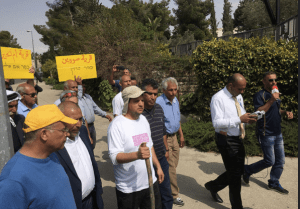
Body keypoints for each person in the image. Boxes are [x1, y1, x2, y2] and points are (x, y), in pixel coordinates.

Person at [0, 104, 78, 208]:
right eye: (63, 130)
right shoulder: (13, 180)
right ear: (44, 134)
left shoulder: (51, 155)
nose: (67, 134)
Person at [204, 73, 257, 209]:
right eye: (240, 89)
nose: (242, 92)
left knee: (237, 171)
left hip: (238, 137)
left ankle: (213, 186)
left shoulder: (238, 95)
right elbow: (216, 123)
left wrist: (249, 119)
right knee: (235, 177)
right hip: (226, 139)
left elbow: (240, 113)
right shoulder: (218, 98)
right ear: (230, 86)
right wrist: (240, 120)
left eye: (243, 89)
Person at [107, 86, 164, 209]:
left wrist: (158, 167)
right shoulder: (117, 125)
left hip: (149, 182)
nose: (141, 104)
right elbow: (114, 157)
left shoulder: (143, 120)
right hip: (128, 188)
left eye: (142, 100)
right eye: (136, 101)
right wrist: (137, 155)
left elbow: (150, 146)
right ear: (127, 103)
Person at [242, 71, 293, 194]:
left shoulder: (275, 94)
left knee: (280, 161)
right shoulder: (260, 95)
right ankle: (247, 170)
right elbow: (259, 112)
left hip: (278, 133)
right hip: (266, 133)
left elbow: (275, 110)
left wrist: (285, 111)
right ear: (264, 81)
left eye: (275, 80)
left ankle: (274, 183)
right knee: (270, 161)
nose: (274, 82)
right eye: (270, 80)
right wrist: (271, 100)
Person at [56, 102, 104, 209]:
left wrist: (99, 189)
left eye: (80, 119)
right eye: (73, 120)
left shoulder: (82, 131)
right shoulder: (55, 144)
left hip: (93, 198)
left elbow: (92, 162)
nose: (78, 124)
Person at [141, 79, 173, 209]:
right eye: (150, 93)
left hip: (161, 157)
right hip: (146, 161)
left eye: (155, 94)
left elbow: (163, 131)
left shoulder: (159, 108)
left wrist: (166, 150)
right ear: (142, 93)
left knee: (166, 192)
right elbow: (141, 142)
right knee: (152, 196)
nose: (153, 97)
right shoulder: (139, 113)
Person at [156, 77, 185, 206]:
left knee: (174, 164)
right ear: (163, 90)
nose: (174, 92)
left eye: (175, 90)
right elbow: (159, 125)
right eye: (171, 90)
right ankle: (174, 194)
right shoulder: (159, 103)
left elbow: (177, 119)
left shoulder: (175, 101)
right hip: (165, 137)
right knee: (171, 166)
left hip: (174, 137)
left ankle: (163, 184)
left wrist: (181, 135)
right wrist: (166, 147)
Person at [78, 82, 113, 148]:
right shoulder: (77, 99)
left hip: (92, 126)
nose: (83, 88)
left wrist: (105, 114)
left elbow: (95, 108)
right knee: (85, 146)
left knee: (92, 145)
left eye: (84, 86)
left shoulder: (88, 97)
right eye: (81, 87)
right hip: (84, 127)